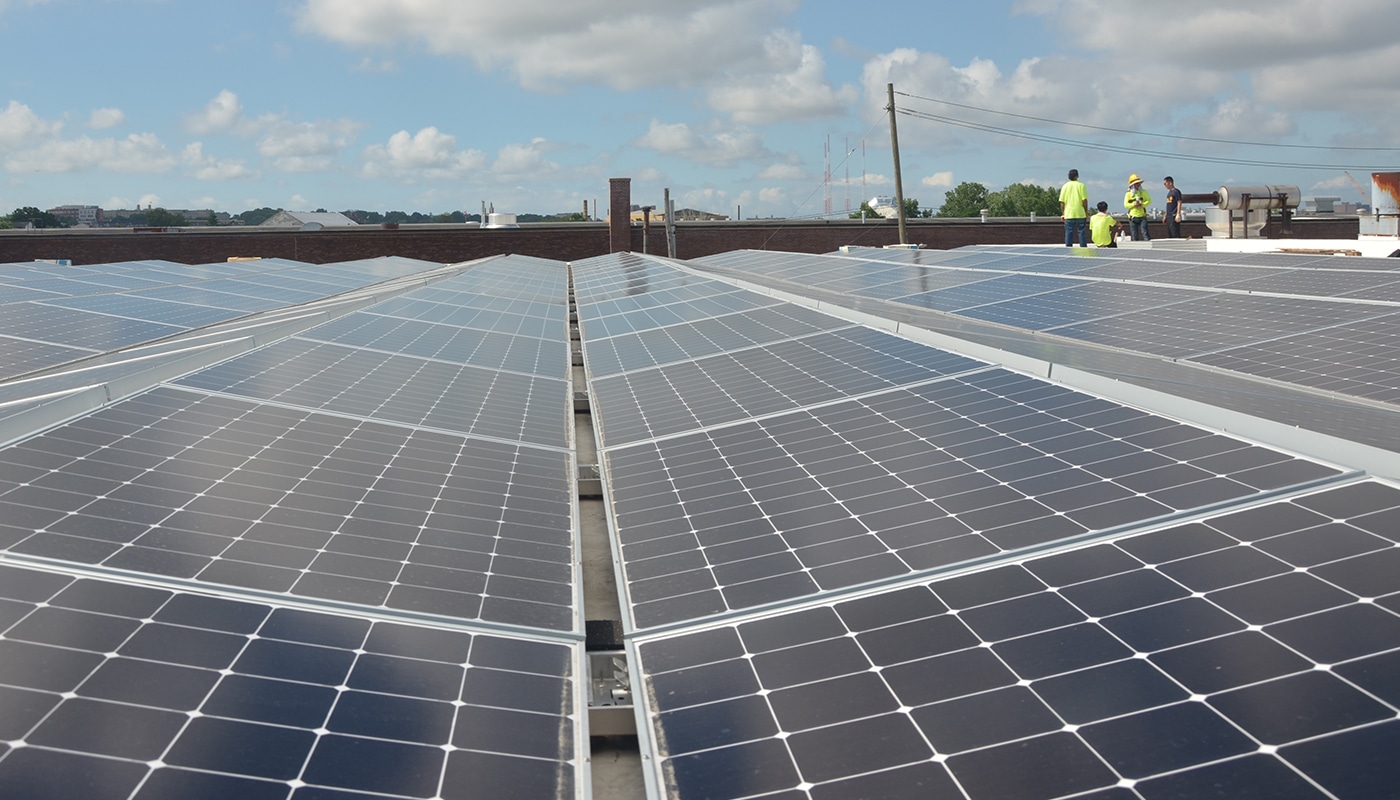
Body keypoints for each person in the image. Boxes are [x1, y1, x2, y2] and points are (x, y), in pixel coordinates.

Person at [1059, 168, 1089, 247]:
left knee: (1069, 232)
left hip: (1068, 214)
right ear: (1077, 176)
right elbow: (1084, 200)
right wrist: (1086, 212)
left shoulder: (1065, 186)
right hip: (1080, 213)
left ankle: (1068, 248)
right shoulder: (1081, 185)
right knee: (1081, 232)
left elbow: (1062, 202)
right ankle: (1083, 249)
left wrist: (1063, 213)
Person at [1124, 174, 1151, 240]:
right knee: (1134, 235)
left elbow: (1149, 201)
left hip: (1142, 216)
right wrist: (1134, 204)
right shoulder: (1128, 194)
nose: (1138, 185)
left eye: (1138, 183)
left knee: (1145, 233)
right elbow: (1126, 205)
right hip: (1132, 217)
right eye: (1136, 184)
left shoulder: (1144, 192)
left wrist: (1142, 205)